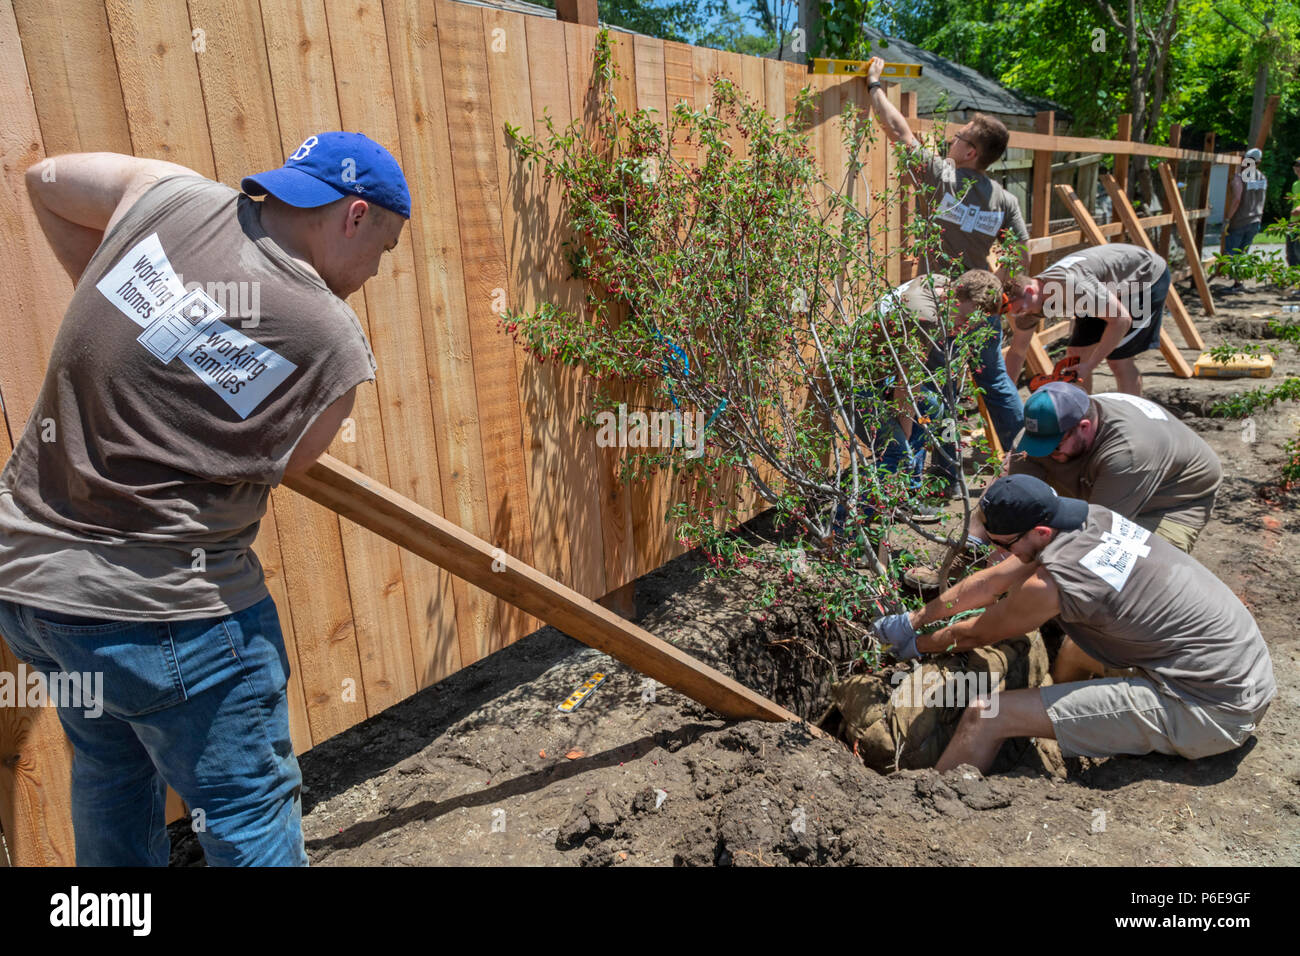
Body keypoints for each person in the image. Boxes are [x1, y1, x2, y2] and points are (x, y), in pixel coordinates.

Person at [0, 132, 409, 866]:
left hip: (32, 589)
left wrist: (145, 319)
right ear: (354, 215)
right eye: (385, 247)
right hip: (166, 617)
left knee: (111, 772)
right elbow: (292, 463)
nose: (376, 271)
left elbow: (47, 179)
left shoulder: (168, 192)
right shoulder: (331, 337)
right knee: (247, 808)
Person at [871, 475, 1275, 774]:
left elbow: (976, 632)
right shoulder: (1091, 518)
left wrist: (914, 644)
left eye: (1003, 545)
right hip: (1246, 673)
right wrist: (914, 618)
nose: (997, 554)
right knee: (1075, 647)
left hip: (1210, 710)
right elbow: (993, 582)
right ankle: (1065, 731)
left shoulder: (1055, 582)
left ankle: (937, 806)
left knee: (986, 713)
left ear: (1040, 531)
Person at [863, 57, 1030, 280]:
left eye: (959, 137)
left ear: (971, 153)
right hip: (978, 310)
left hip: (940, 301)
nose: (952, 140)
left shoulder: (944, 177)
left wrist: (873, 82)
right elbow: (1022, 256)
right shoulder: (1005, 200)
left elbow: (897, 131)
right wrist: (991, 289)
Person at [1003, 243, 1170, 395]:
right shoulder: (1027, 306)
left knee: (1118, 360)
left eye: (1019, 310)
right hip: (1101, 290)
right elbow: (1018, 351)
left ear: (1031, 291)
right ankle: (1084, 415)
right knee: (1076, 357)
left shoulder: (1071, 285)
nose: (1019, 316)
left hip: (1143, 277)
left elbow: (1121, 319)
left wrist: (1090, 365)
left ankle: (1131, 419)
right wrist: (1007, 395)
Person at [1221, 147, 1268, 294]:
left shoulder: (1239, 177)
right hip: (1256, 220)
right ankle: (1239, 282)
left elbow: (1236, 200)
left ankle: (1236, 284)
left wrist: (1227, 219)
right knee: (1244, 253)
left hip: (1240, 220)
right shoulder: (1262, 178)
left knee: (1232, 253)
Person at [1286, 156, 1300, 274]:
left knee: (1298, 251)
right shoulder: (1295, 184)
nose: (1298, 168)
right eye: (1296, 165)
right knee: (1290, 252)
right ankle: (1294, 278)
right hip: (1293, 222)